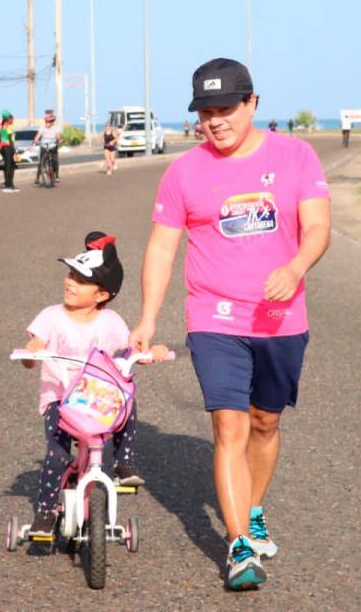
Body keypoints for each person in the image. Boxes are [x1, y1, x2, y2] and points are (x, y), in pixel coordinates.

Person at [129, 57, 331, 592]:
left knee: (265, 422)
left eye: (225, 109)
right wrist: (147, 318)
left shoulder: (296, 156)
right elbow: (161, 248)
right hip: (214, 315)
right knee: (229, 425)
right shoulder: (184, 172)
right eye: (205, 112)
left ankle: (255, 506)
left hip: (281, 318)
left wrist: (295, 267)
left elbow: (317, 227)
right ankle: (240, 544)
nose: (214, 121)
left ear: (253, 104)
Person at [19, 232, 166, 538]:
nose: (70, 282)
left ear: (101, 295)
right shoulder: (51, 316)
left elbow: (129, 353)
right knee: (58, 454)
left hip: (98, 399)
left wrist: (149, 354)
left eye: (81, 279)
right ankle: (46, 511)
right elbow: (34, 349)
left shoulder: (111, 321)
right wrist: (31, 352)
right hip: (61, 400)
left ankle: (124, 462)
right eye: (71, 274)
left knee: (128, 403)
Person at [33, 110, 62, 185]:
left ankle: (57, 176)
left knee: (55, 160)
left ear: (53, 122)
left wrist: (58, 140)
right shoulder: (42, 127)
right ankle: (37, 178)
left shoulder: (56, 128)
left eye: (50, 121)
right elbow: (38, 135)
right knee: (41, 162)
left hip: (53, 146)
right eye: (47, 121)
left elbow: (58, 136)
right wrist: (35, 141)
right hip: (44, 146)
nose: (48, 123)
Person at [0, 110, 19, 193]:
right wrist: (13, 150)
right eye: (11, 118)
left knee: (11, 166)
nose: (12, 120)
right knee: (9, 166)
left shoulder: (5, 125)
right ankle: (8, 185)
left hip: (7, 148)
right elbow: (6, 139)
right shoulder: (5, 126)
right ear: (7, 119)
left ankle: (11, 184)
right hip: (6, 148)